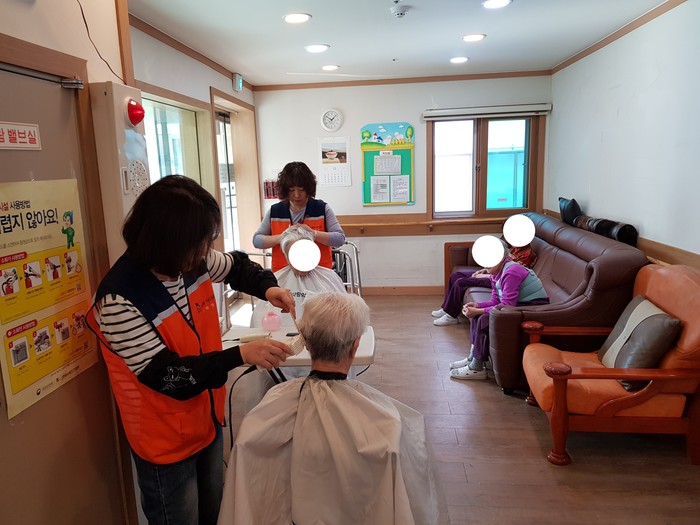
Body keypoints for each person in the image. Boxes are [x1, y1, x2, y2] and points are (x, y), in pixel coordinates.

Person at [86, 175, 296, 525]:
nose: (204, 253)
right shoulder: (118, 300)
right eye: (198, 244)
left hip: (206, 421)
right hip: (164, 442)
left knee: (214, 514)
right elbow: (169, 376)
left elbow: (237, 267)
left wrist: (267, 288)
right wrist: (241, 355)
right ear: (166, 242)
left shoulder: (192, 261)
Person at [218, 293, 440, 525]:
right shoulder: (387, 422)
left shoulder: (268, 411)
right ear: (355, 346)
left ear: (305, 343)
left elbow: (248, 460)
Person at [449, 243, 548, 380]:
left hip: (534, 308)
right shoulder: (495, 273)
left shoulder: (511, 272)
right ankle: (473, 358)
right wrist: (477, 305)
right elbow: (496, 301)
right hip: (519, 305)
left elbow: (507, 306)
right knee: (478, 316)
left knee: (484, 319)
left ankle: (476, 369)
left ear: (501, 258)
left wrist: (478, 310)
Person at [253, 161, 345, 272]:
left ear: (309, 188)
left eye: (301, 189)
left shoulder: (322, 208)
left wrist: (314, 234)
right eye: (291, 190)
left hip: (318, 272)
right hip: (284, 274)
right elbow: (256, 240)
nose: (296, 195)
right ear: (285, 190)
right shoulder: (275, 211)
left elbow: (340, 239)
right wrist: (282, 238)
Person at [432, 242, 538, 326]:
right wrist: (484, 270)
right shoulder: (513, 249)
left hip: (503, 280)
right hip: (496, 274)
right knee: (456, 275)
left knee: (461, 282)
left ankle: (451, 315)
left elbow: (511, 275)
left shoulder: (526, 255)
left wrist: (487, 275)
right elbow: (498, 264)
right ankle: (447, 308)